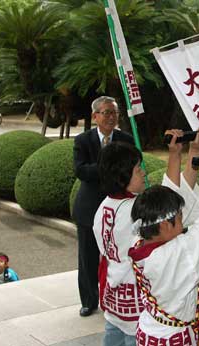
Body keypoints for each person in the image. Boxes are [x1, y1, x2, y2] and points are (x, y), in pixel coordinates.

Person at [93, 129, 199, 346]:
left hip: (114, 299)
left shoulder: (104, 206)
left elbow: (172, 195)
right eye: (138, 170)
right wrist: (189, 151)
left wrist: (176, 154)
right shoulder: (133, 213)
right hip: (138, 303)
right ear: (123, 176)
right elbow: (172, 199)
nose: (144, 174)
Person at [128, 150, 199, 345]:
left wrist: (179, 153)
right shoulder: (174, 254)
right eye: (180, 219)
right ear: (165, 225)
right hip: (171, 338)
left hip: (151, 329)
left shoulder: (141, 246)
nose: (184, 224)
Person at [73, 96, 134, 317]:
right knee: (88, 258)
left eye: (114, 112)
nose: (111, 117)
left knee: (119, 256)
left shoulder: (126, 139)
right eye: (106, 112)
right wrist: (108, 165)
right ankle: (89, 301)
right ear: (95, 116)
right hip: (89, 209)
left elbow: (131, 168)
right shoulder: (83, 140)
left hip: (119, 210)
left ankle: (116, 296)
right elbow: (81, 171)